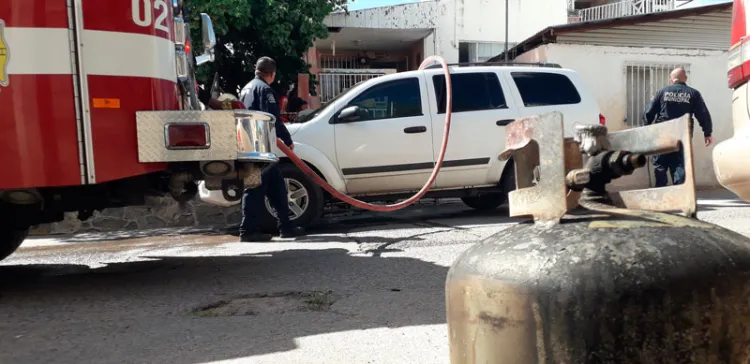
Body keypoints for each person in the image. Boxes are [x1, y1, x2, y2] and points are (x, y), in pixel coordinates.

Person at [238, 57, 306, 242]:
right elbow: (272, 119)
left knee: (277, 187)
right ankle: (248, 231)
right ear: (272, 74)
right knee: (254, 188)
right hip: (259, 147)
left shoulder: (246, 89)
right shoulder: (265, 90)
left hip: (251, 145)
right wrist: (287, 139)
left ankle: (286, 226)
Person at [642, 67, 713, 187]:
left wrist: (646, 129)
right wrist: (707, 132)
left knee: (660, 165)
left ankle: (662, 196)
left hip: (662, 133)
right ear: (685, 78)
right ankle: (680, 194)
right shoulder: (693, 93)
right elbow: (703, 114)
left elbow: (649, 112)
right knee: (679, 164)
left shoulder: (662, 92)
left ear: (671, 79)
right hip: (682, 134)